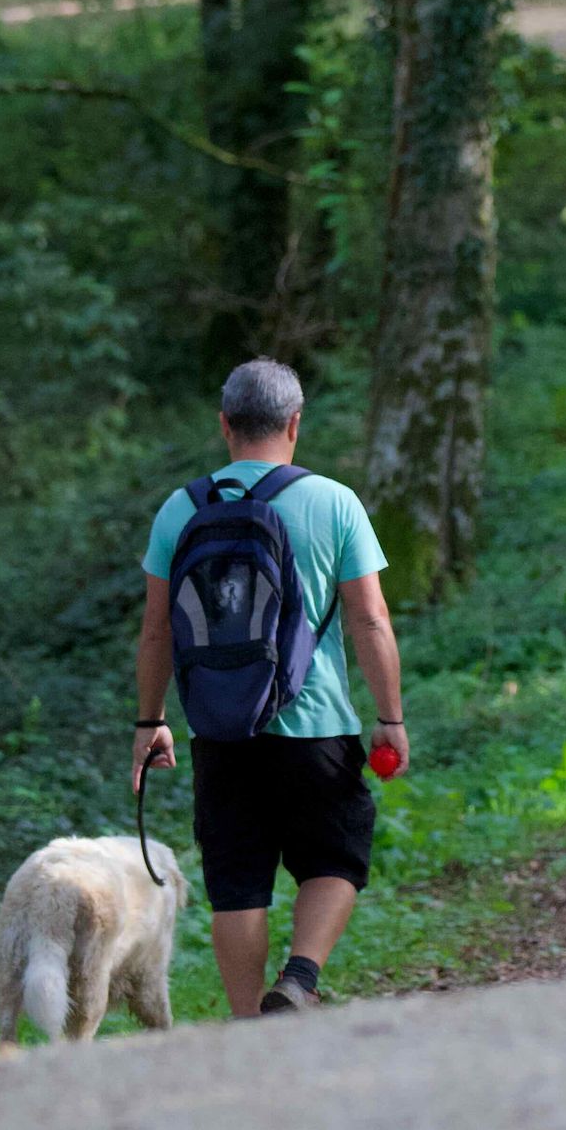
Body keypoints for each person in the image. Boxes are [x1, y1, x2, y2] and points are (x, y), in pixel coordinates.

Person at [132, 357, 409, 1017]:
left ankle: (247, 1027)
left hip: (220, 728)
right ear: (294, 424)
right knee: (335, 860)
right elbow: (370, 619)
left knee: (237, 884)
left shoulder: (181, 508)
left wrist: (150, 721)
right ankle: (300, 977)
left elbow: (156, 630)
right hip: (316, 727)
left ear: (225, 424)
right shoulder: (333, 502)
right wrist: (390, 716)